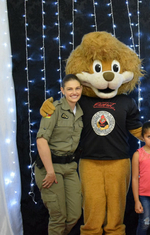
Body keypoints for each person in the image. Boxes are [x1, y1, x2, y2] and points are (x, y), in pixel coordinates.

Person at [35, 74, 83, 235]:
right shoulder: (52, 109)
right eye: (69, 89)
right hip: (50, 167)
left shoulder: (81, 112)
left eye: (77, 88)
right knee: (58, 216)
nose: (74, 92)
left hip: (69, 167)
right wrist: (49, 171)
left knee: (75, 214)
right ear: (62, 90)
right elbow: (41, 141)